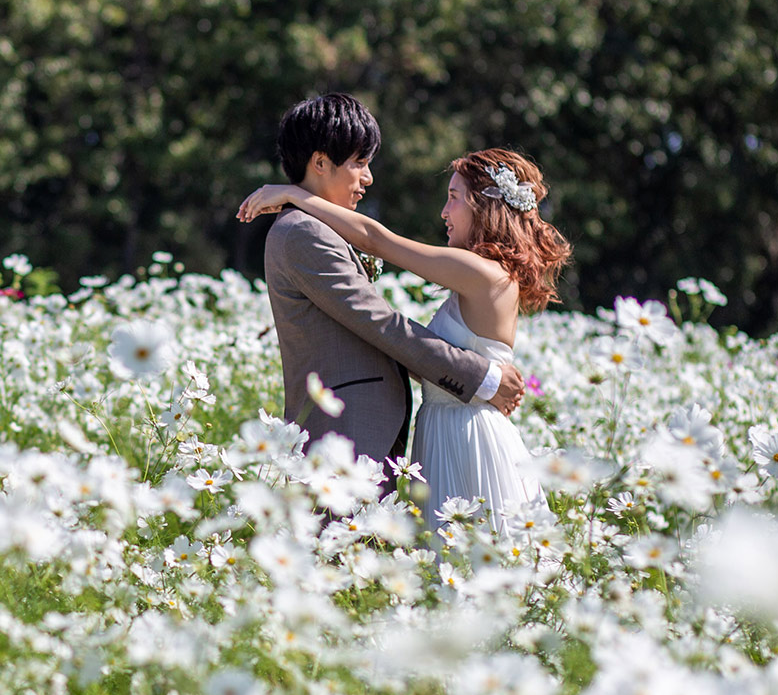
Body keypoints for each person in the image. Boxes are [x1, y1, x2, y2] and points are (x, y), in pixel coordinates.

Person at [240, 140, 570, 537]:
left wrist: (293, 193)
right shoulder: (485, 275)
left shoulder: (479, 272)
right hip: (449, 427)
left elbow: (375, 240)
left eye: (454, 199)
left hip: (465, 435)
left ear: (486, 208)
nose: (444, 212)